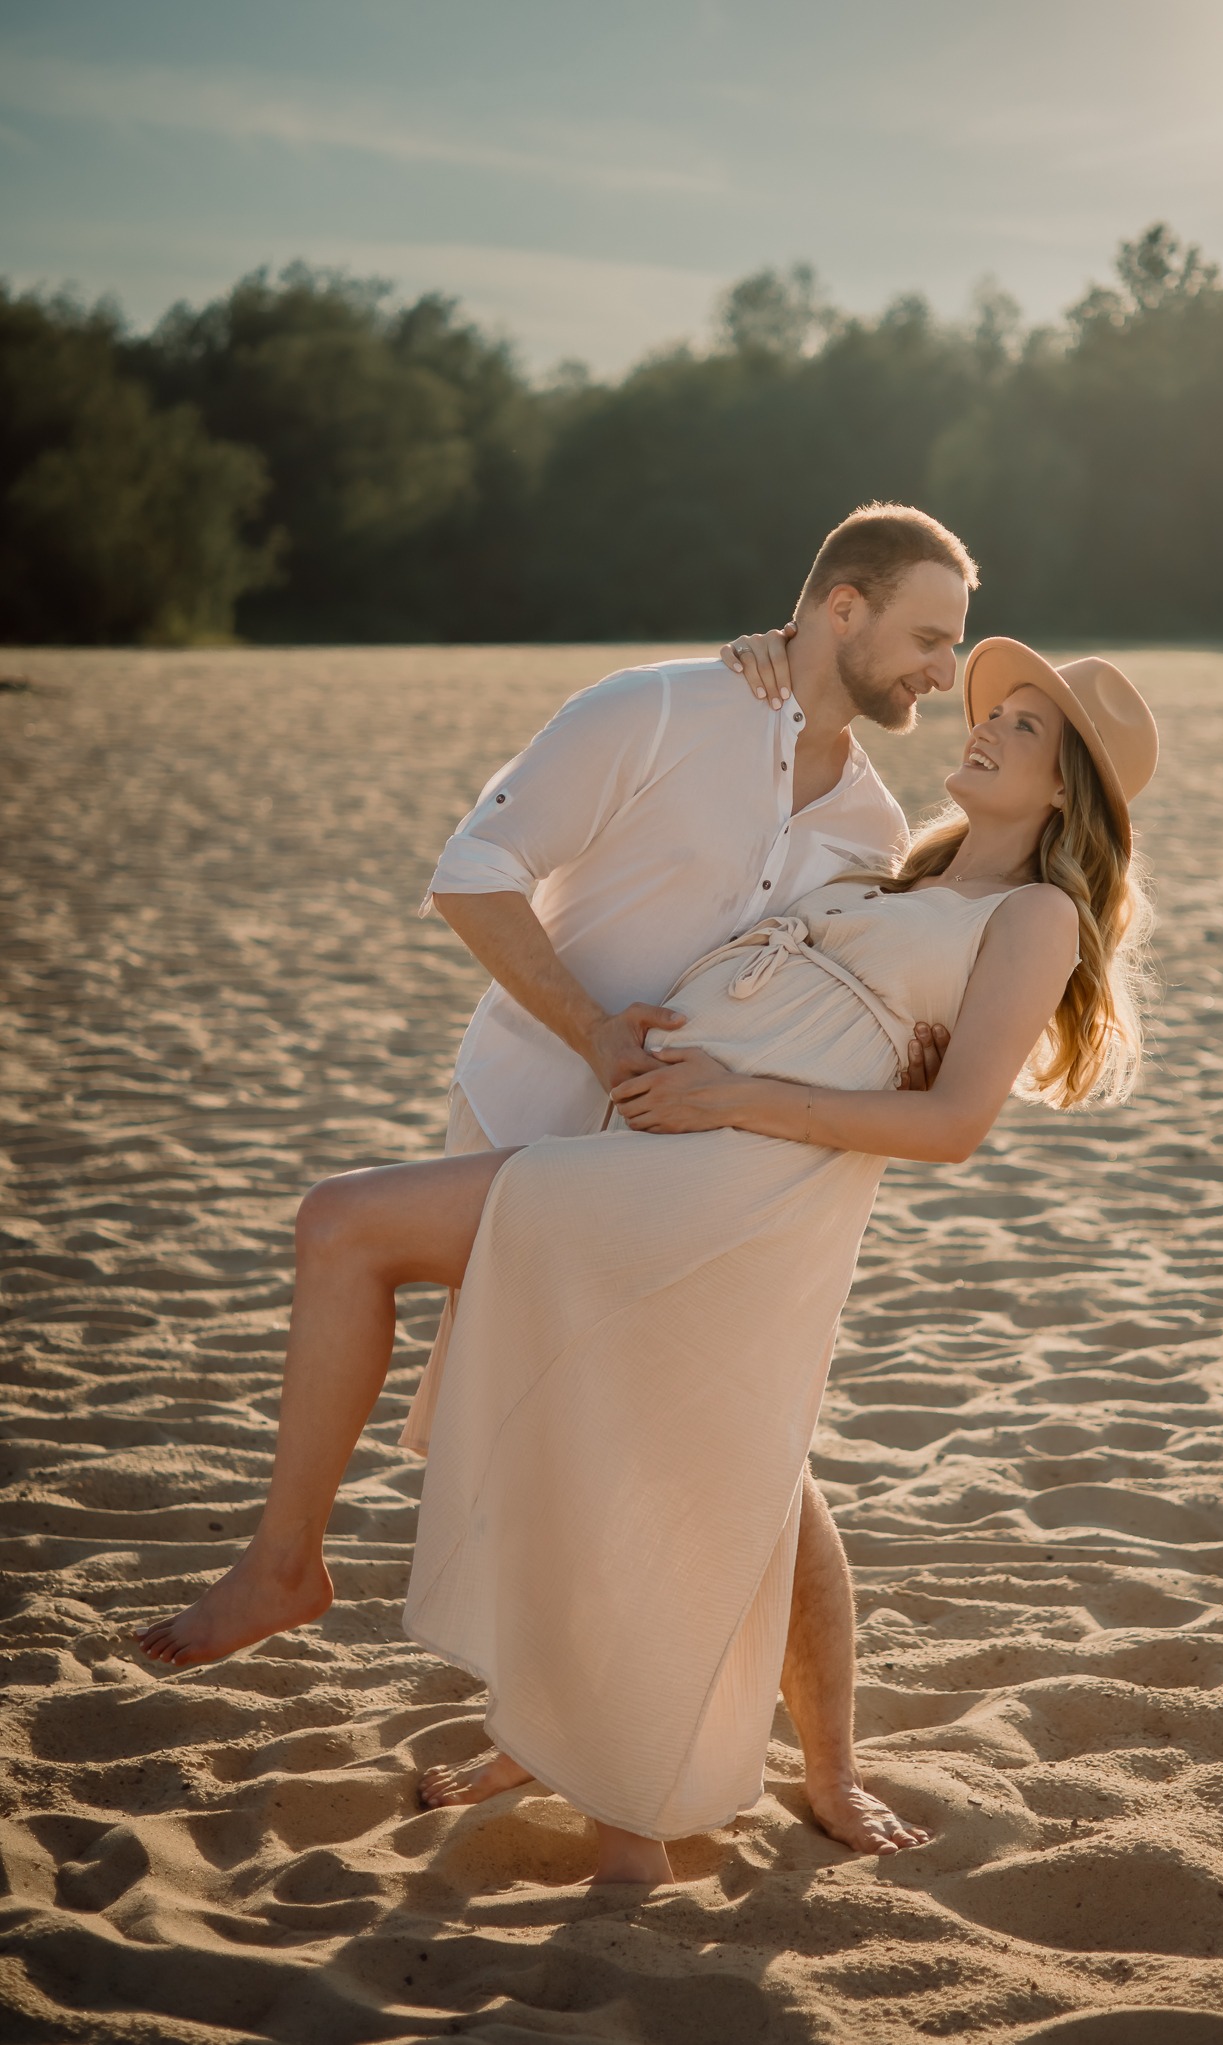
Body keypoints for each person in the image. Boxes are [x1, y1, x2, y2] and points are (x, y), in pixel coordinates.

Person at [140, 631, 1158, 1889]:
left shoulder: (1036, 912)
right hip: (658, 1156)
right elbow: (752, 823)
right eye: (990, 708)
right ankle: (595, 1767)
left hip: (710, 1188)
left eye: (1023, 727)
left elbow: (950, 1124)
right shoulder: (889, 871)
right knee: (676, 1457)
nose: (981, 722)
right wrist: (769, 659)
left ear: (1064, 791)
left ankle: (300, 1569)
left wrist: (734, 1097)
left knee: (350, 1225)